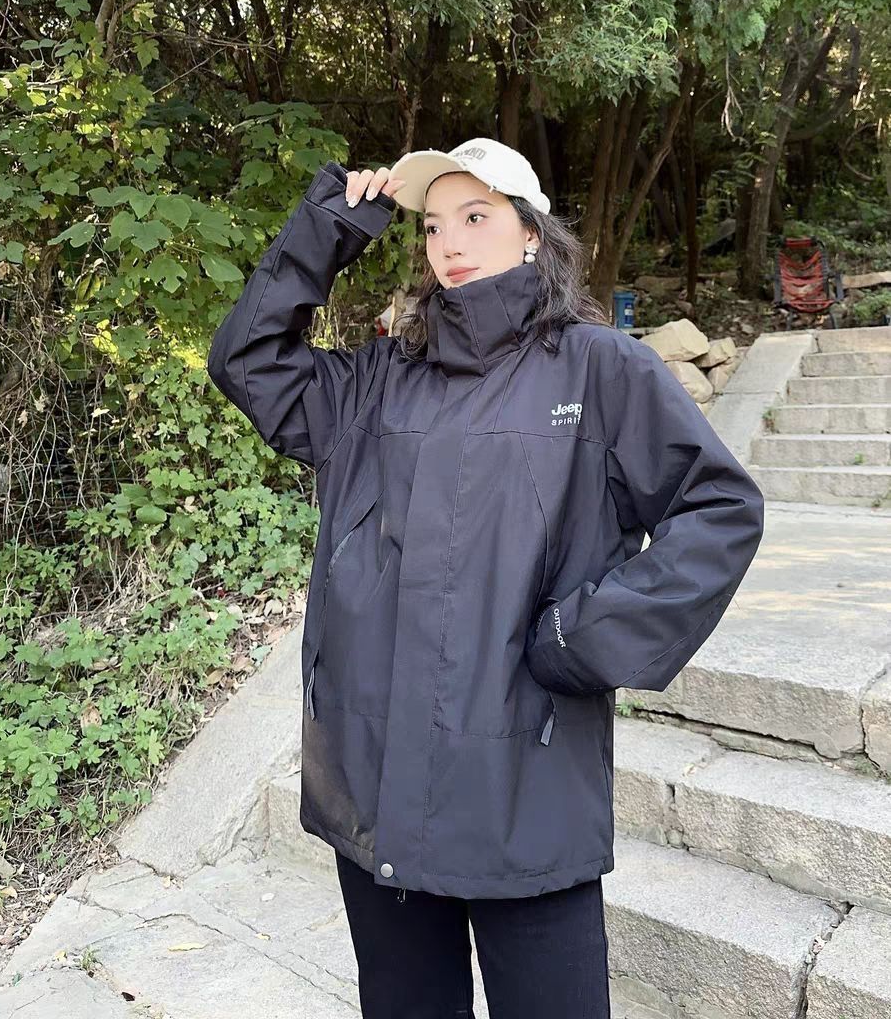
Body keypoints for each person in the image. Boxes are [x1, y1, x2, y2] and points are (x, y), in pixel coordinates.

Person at [206, 137, 766, 1018]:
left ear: (531, 232)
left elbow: (719, 509)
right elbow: (250, 363)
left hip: (524, 787)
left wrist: (584, 638)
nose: (450, 243)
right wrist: (327, 228)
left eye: (476, 216)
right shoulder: (379, 380)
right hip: (377, 784)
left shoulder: (600, 368)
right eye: (433, 226)